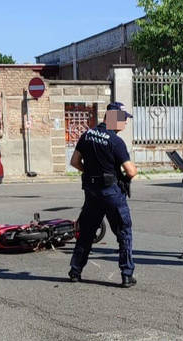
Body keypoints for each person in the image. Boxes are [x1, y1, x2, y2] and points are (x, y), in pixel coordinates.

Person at [69, 102, 138, 287]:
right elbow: (131, 171)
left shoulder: (87, 134)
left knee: (86, 232)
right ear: (114, 118)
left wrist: (90, 172)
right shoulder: (116, 141)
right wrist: (120, 176)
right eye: (123, 119)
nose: (125, 123)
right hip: (111, 192)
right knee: (124, 232)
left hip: (92, 192)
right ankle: (126, 274)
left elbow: (75, 161)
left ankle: (75, 270)